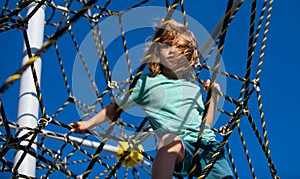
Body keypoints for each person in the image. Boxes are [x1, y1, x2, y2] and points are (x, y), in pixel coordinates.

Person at [69, 19, 233, 179]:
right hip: (181, 148)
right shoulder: (146, 82)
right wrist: (87, 124)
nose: (171, 50)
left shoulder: (193, 88)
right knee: (169, 141)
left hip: (209, 148)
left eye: (179, 47)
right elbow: (114, 109)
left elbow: (207, 124)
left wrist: (213, 97)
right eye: (166, 45)